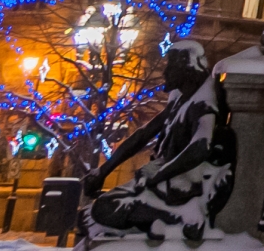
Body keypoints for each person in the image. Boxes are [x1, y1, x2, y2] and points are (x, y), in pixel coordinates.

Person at [84, 44, 232, 246]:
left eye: (169, 67)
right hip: (160, 181)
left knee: (104, 209)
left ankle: (181, 217)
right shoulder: (180, 98)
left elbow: (201, 146)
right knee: (96, 211)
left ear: (186, 68)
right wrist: (103, 171)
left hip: (180, 185)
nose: (164, 73)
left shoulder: (203, 103)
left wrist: (160, 174)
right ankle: (161, 218)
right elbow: (143, 135)